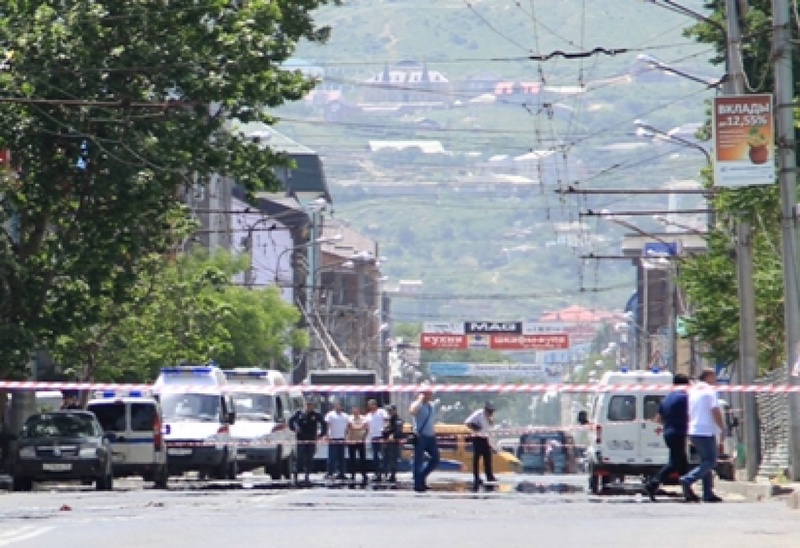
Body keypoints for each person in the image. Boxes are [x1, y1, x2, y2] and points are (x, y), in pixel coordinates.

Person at [680, 369, 725, 503]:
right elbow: (715, 410)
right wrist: (722, 427)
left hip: (694, 429)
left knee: (705, 461)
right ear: (708, 377)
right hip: (705, 430)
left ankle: (707, 493)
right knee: (711, 461)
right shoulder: (709, 390)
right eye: (714, 376)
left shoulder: (693, 391)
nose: (715, 379)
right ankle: (688, 479)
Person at [645, 373, 691, 502]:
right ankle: (652, 484)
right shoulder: (684, 397)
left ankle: (688, 491)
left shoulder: (667, 399)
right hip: (678, 433)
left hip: (668, 433)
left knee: (682, 464)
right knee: (675, 463)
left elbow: (658, 419)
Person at [289, 401, 327, 484]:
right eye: (307, 405)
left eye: (310, 405)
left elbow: (324, 424)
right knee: (299, 458)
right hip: (301, 439)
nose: (309, 407)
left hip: (311, 439)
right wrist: (294, 429)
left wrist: (321, 435)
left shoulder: (316, 414)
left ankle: (307, 476)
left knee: (309, 458)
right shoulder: (299, 413)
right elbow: (290, 421)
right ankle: (296, 475)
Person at [409, 389, 439, 493]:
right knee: (419, 461)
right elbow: (412, 412)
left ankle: (421, 477)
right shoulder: (417, 404)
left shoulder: (431, 406)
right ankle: (418, 484)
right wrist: (420, 401)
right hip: (421, 436)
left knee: (435, 459)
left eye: (429, 394)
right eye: (426, 393)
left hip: (431, 436)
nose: (428, 395)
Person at [465, 402, 498, 489]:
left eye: (492, 412)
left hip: (485, 438)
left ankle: (489, 476)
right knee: (477, 458)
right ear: (486, 410)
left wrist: (490, 420)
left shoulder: (489, 417)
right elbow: (467, 422)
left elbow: (491, 426)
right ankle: (476, 477)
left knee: (488, 457)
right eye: (489, 411)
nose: (491, 413)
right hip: (477, 438)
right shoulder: (478, 414)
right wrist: (475, 427)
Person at [325, 402, 349, 480]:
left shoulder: (345, 416)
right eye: (336, 405)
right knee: (332, 457)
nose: (338, 407)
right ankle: (330, 473)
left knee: (341, 457)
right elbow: (328, 425)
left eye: (339, 405)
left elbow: (347, 427)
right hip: (333, 438)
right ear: (334, 406)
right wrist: (327, 435)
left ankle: (341, 473)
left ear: (341, 407)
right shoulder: (330, 414)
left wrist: (346, 436)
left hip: (342, 438)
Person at [365, 398, 388, 482]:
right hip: (373, 437)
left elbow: (386, 421)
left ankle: (385, 473)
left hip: (381, 436)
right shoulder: (368, 416)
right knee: (375, 457)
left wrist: (385, 432)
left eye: (372, 404)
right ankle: (377, 473)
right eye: (369, 405)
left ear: (375, 404)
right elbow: (366, 427)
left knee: (383, 456)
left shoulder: (381, 412)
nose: (371, 406)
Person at [346, 405, 368, 485]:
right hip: (352, 440)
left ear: (359, 411)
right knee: (352, 459)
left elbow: (366, 427)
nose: (355, 412)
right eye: (354, 410)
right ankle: (352, 474)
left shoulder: (363, 418)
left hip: (361, 440)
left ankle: (364, 474)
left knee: (362, 458)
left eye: (356, 410)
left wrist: (364, 437)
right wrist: (360, 427)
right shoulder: (349, 418)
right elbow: (350, 427)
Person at [382, 404, 404, 483]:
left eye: (391, 411)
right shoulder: (389, 420)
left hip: (394, 443)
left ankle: (393, 475)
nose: (389, 412)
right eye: (389, 411)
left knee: (392, 459)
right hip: (387, 442)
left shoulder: (398, 420)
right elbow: (386, 429)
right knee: (386, 458)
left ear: (395, 411)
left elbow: (398, 431)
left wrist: (393, 435)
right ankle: (385, 474)